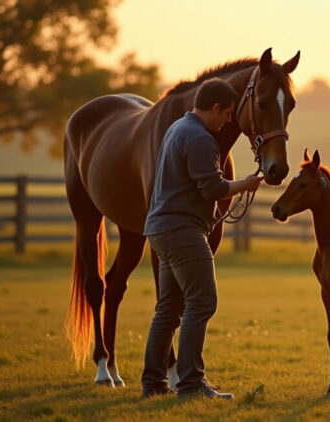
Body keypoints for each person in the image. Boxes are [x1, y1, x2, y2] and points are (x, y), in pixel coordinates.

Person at [141, 77, 264, 399]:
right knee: (202, 302)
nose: (227, 122)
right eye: (226, 115)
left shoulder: (177, 128)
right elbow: (212, 188)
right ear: (214, 107)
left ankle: (153, 384)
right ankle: (192, 383)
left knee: (167, 309)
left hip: (160, 229)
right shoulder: (200, 139)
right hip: (183, 231)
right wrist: (245, 184)